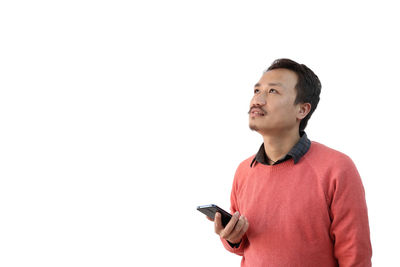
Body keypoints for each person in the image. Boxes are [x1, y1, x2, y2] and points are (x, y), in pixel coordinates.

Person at [208, 59, 372, 266]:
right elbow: (245, 246)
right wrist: (232, 238)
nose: (257, 99)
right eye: (257, 90)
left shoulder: (337, 168)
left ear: (302, 110)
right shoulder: (244, 170)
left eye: (272, 92)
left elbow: (355, 256)